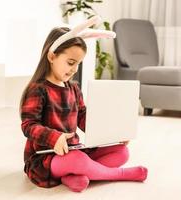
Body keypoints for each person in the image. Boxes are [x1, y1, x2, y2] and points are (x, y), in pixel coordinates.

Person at [19, 17, 148, 192]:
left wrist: (112, 134)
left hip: (75, 150)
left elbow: (83, 117)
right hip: (46, 158)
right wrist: (54, 137)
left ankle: (73, 176)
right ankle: (119, 174)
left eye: (78, 64)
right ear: (51, 56)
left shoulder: (73, 88)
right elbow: (28, 125)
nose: (74, 69)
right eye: (70, 63)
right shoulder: (37, 89)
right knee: (77, 160)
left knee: (121, 152)